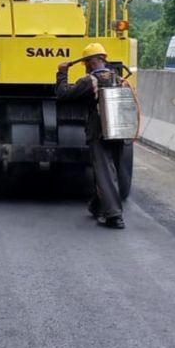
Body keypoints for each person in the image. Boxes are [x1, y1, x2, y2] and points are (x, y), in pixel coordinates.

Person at [56, 42, 129, 229]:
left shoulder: (89, 81)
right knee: (111, 170)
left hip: (98, 132)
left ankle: (114, 216)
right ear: (104, 58)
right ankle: (97, 207)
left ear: (88, 62)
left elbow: (64, 94)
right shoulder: (118, 78)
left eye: (86, 63)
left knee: (104, 172)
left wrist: (62, 74)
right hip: (118, 131)